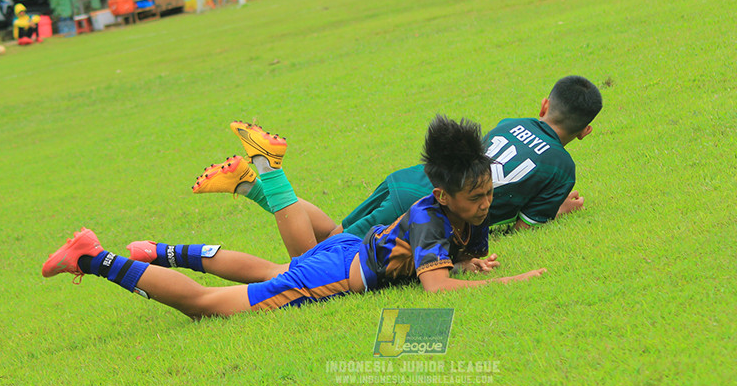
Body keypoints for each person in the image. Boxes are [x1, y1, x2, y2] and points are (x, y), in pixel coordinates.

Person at [42, 117, 546, 319]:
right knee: (205, 307)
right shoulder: (431, 215)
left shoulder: (466, 212)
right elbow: (437, 290)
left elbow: (445, 264)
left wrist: (469, 264)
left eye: (487, 193)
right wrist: (513, 282)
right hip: (334, 272)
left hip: (348, 251)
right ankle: (93, 258)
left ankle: (162, 250)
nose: (485, 203)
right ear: (443, 194)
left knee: (274, 271)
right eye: (476, 197)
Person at [193, 75, 602, 258]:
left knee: (336, 236)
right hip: (423, 205)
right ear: (583, 132)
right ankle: (267, 169)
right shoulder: (562, 169)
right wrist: (556, 210)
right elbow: (520, 229)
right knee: (310, 262)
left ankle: (249, 183)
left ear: (545, 105)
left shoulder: (512, 123)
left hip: (408, 180)